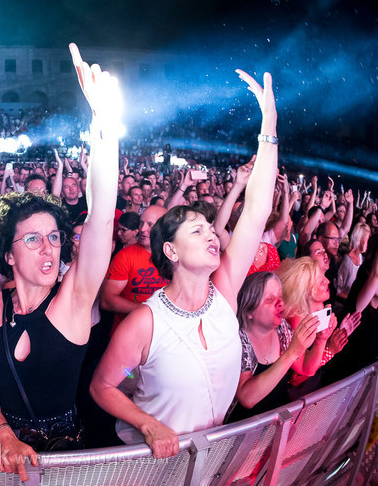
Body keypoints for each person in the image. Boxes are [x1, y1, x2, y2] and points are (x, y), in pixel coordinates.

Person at [91, 69, 278, 459]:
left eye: (210, 227)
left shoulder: (225, 291)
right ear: (171, 252)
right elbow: (106, 386)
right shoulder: (146, 322)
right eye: (197, 231)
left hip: (211, 459)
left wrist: (269, 123)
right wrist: (147, 422)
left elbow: (258, 209)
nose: (212, 234)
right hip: (154, 467)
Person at [0, 43, 119, 481]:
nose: (48, 248)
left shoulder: (73, 300)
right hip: (1, 455)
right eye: (32, 239)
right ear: (8, 252)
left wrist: (102, 124)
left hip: (67, 461)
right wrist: (3, 434)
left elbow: (102, 212)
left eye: (54, 237)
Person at [227, 272, 322, 422]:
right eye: (270, 300)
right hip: (244, 429)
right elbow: (247, 398)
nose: (280, 303)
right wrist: (291, 353)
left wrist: (321, 340)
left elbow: (304, 368)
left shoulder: (282, 328)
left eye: (280, 297)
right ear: (249, 311)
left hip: (276, 421)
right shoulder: (238, 339)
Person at [277, 257, 358, 390]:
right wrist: (329, 350)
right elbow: (298, 378)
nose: (327, 281)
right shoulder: (296, 320)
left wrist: (337, 334)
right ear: (308, 290)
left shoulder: (317, 310)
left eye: (325, 277)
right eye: (321, 281)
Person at [100, 205, 168, 331]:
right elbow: (106, 300)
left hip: (163, 334)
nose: (142, 229)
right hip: (128, 332)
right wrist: (149, 311)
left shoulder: (175, 256)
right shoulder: (125, 256)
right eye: (141, 223)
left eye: (150, 224)